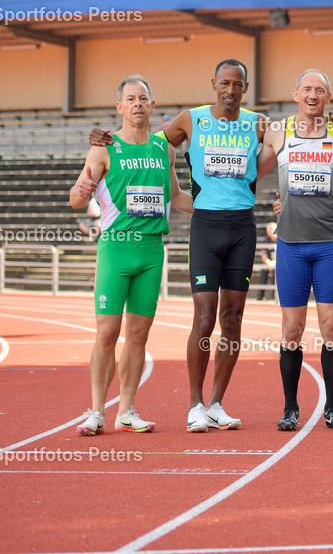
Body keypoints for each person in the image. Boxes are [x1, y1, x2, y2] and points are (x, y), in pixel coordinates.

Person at [90, 59, 274, 433]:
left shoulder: (258, 123)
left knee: (233, 320)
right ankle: (195, 404)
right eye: (224, 83)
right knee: (204, 319)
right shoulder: (191, 120)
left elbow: (290, 143)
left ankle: (217, 404)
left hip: (242, 226)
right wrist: (108, 137)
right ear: (214, 84)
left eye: (237, 84)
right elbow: (150, 144)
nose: (231, 89)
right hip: (205, 227)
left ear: (245, 87)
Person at [72, 75, 193, 436]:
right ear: (119, 107)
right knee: (107, 332)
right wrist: (82, 190)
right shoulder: (104, 148)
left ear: (152, 106)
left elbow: (176, 196)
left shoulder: (164, 149)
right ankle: (96, 411)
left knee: (138, 335)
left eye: (143, 98)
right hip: (116, 248)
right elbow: (76, 198)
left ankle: (126, 410)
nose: (137, 103)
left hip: (152, 251)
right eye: (130, 99)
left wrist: (220, 206)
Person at [263, 69, 333, 432]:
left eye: (320, 90)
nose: (313, 95)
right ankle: (290, 408)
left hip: (329, 244)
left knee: (331, 327)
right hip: (291, 245)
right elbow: (251, 172)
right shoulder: (278, 131)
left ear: (328, 97)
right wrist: (281, 200)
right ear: (295, 94)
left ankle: (332, 408)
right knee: (292, 329)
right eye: (307, 89)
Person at [257, 221, 278, 301]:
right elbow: (264, 255)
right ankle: (260, 296)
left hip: (278, 262)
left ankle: (275, 296)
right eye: (270, 230)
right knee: (263, 271)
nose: (272, 231)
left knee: (276, 273)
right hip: (269, 263)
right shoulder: (266, 240)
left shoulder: (281, 240)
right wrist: (269, 263)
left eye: (273, 229)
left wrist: (274, 263)